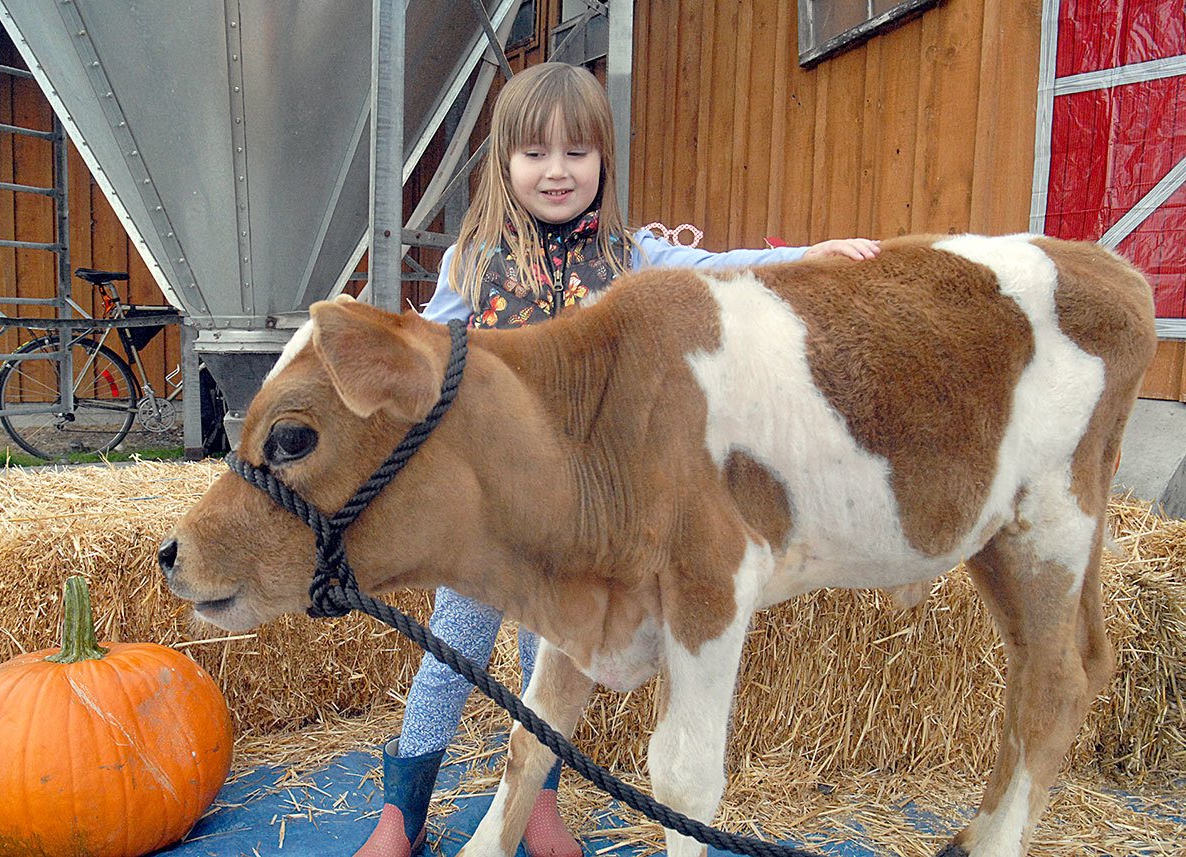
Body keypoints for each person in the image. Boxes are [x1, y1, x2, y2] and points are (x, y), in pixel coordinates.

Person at [355, 62, 879, 857]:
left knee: (553, 663)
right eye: (535, 153)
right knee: (451, 649)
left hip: (577, 516)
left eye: (577, 153)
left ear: (604, 162)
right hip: (490, 515)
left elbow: (725, 271)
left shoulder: (632, 258)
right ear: (505, 163)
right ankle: (403, 812)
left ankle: (536, 806)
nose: (557, 170)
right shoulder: (473, 265)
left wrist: (811, 256)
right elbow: (425, 351)